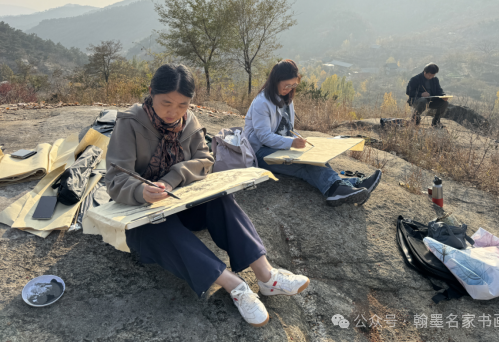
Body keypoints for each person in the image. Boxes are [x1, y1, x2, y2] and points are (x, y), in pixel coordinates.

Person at [105, 63, 309, 328]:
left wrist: (171, 179)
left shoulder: (188, 121)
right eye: (166, 102)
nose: (173, 112)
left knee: (220, 199)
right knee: (154, 228)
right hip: (143, 212)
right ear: (150, 92)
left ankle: (266, 276)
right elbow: (116, 177)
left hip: (182, 203)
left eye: (182, 105)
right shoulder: (130, 123)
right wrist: (141, 190)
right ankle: (234, 285)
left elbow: (205, 159)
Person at [244, 59, 382, 207]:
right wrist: (291, 142)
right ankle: (336, 190)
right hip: (261, 153)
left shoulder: (287, 100)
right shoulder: (262, 102)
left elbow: (287, 128)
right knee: (307, 166)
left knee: (314, 158)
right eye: (287, 85)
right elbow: (263, 136)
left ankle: (348, 186)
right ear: (276, 81)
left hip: (278, 149)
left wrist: (296, 138)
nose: (290, 89)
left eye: (293, 85)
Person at [406, 63, 449, 128]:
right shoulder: (415, 79)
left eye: (433, 75)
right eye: (429, 75)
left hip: (431, 101)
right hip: (417, 101)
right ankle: (415, 119)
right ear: (425, 72)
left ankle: (436, 122)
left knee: (444, 103)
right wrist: (421, 94)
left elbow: (439, 90)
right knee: (423, 100)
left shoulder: (435, 80)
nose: (431, 77)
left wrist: (443, 95)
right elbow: (408, 92)